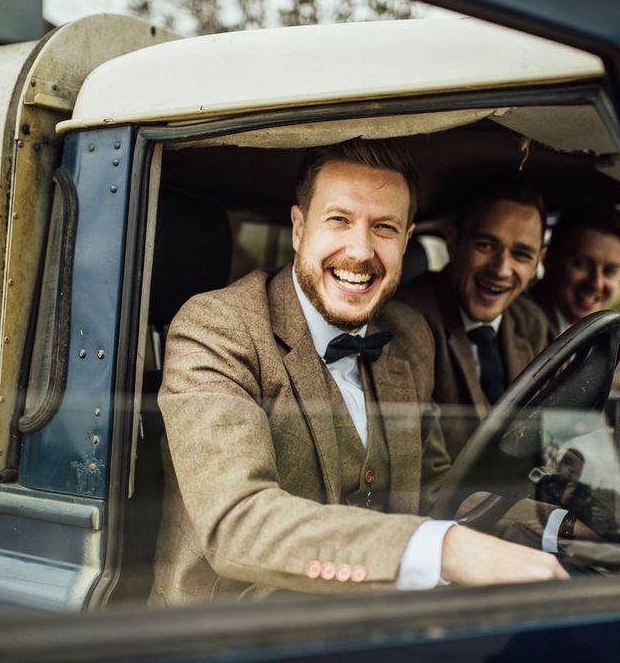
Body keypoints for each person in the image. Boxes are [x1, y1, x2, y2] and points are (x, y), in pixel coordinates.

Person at [150, 139, 566, 607]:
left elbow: (433, 490)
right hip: (229, 632)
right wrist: (445, 550)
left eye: (384, 227)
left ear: (407, 241)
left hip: (379, 621)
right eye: (339, 220)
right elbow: (238, 522)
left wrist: (556, 527)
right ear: (299, 227)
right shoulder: (217, 327)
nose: (361, 250)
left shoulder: (409, 335)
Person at [397, 181, 550, 462]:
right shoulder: (408, 318)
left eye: (521, 254)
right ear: (453, 243)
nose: (501, 268)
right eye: (486, 245)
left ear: (539, 261)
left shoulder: (532, 323)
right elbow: (420, 463)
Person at [529, 202, 620, 337]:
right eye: (581, 264)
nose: (596, 283)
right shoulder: (521, 323)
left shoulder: (602, 338)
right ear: (548, 259)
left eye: (609, 271)